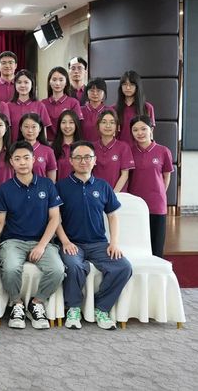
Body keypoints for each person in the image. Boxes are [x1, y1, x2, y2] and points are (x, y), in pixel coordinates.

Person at [0, 140, 64, 330]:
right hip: (13, 241)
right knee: (11, 269)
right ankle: (16, 304)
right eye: (17, 158)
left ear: (34, 159)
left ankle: (37, 303)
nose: (22, 162)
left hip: (42, 241)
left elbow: (55, 219)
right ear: (11, 162)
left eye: (26, 158)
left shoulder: (47, 185)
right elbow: (0, 222)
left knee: (57, 270)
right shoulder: (4, 189)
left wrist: (41, 246)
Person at [55, 141, 132, 330]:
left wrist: (114, 243)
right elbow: (55, 218)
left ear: (94, 160)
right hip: (72, 243)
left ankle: (101, 308)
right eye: (78, 157)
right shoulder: (61, 186)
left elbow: (112, 216)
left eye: (87, 157)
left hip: (99, 244)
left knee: (123, 267)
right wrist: (65, 241)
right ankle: (73, 308)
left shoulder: (103, 186)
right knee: (74, 266)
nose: (83, 161)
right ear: (71, 161)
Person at [129, 115, 173, 258]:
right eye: (135, 130)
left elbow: (166, 176)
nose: (140, 133)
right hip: (135, 205)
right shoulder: (129, 151)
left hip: (156, 205)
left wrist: (160, 194)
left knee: (156, 248)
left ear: (151, 130)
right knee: (136, 247)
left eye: (143, 129)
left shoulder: (163, 151)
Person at [93, 109, 134, 192]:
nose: (108, 126)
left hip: (117, 195)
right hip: (96, 194)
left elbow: (125, 175)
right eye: (104, 122)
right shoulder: (91, 147)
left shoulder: (124, 147)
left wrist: (113, 194)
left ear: (117, 127)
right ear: (98, 125)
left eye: (112, 122)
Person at [7, 69, 51, 142]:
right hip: (15, 147)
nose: (22, 85)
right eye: (19, 82)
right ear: (15, 85)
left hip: (35, 147)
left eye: (26, 82)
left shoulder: (40, 106)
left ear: (32, 84)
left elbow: (44, 132)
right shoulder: (8, 106)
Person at [41, 66, 83, 142]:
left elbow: (77, 127)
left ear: (66, 82)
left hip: (68, 144)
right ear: (49, 82)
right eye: (54, 80)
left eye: (61, 80)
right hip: (48, 144)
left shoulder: (73, 103)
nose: (57, 83)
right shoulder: (42, 103)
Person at [115, 70, 156, 147]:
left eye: (131, 84)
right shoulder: (113, 109)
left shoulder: (147, 107)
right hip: (120, 150)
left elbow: (150, 134)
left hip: (140, 150)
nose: (128, 87)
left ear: (137, 86)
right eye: (124, 84)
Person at [17, 113, 57, 182]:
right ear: (21, 128)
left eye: (34, 127)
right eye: (26, 126)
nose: (30, 130)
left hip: (42, 188)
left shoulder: (48, 151)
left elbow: (51, 181)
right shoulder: (15, 149)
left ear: (40, 129)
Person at [52, 110, 83, 181]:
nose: (67, 126)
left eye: (71, 122)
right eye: (63, 122)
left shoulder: (83, 147)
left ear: (76, 124)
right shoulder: (52, 148)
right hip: (59, 187)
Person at [80, 78, 110, 144]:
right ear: (87, 92)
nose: (95, 93)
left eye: (98, 91)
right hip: (84, 147)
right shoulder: (80, 111)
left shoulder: (110, 111)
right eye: (92, 90)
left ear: (104, 93)